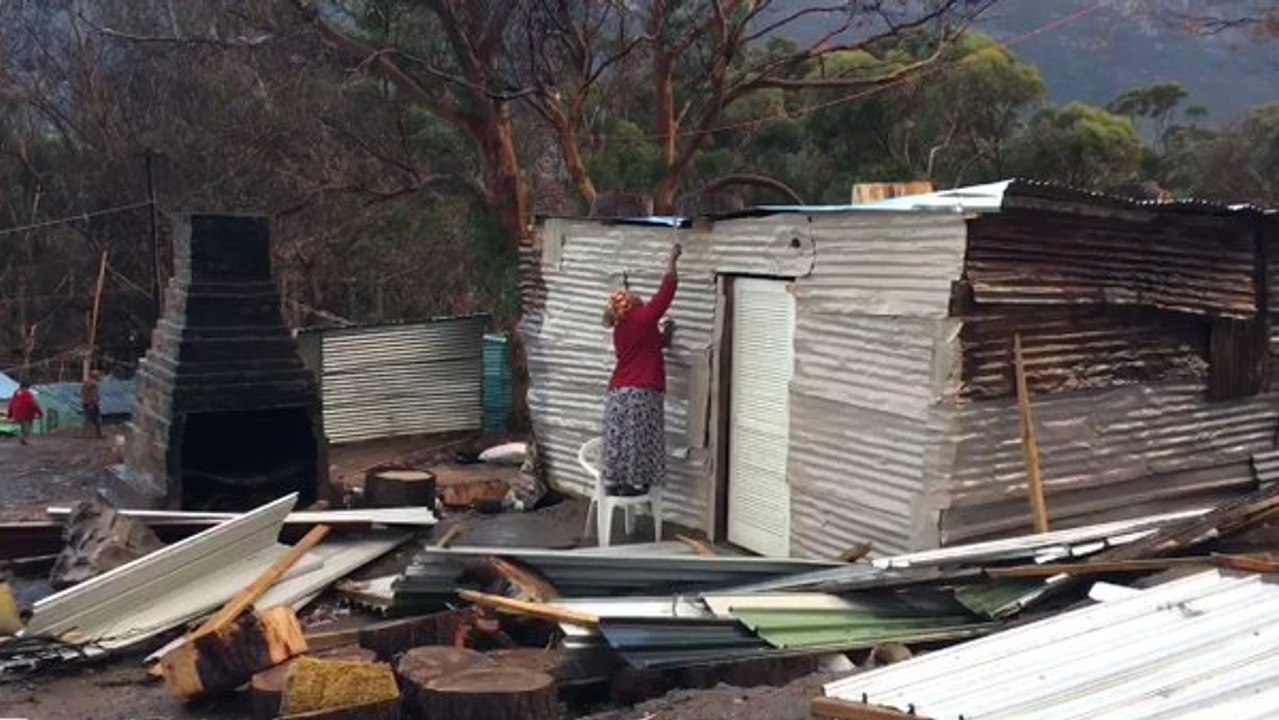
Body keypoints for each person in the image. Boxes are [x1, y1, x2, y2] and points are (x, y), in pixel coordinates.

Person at [600, 241, 681, 496]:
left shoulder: (621, 329)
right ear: (631, 304)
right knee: (640, 439)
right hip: (641, 392)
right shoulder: (642, 317)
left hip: (617, 395)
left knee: (620, 440)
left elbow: (650, 345)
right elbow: (665, 293)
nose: (639, 296)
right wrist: (672, 260)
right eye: (635, 296)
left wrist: (666, 335)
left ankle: (616, 483)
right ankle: (635, 484)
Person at [6, 381, 43, 445]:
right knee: (27, 429)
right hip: (27, 414)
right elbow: (33, 404)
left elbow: (11, 404)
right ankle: (22, 438)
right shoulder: (28, 394)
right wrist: (40, 413)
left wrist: (10, 414)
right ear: (27, 387)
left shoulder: (16, 394)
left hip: (17, 414)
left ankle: (23, 439)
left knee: (23, 427)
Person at [82, 371, 103, 439]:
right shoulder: (92, 384)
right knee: (91, 419)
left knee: (94, 419)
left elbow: (85, 393)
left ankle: (97, 433)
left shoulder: (89, 383)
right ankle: (87, 433)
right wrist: (91, 403)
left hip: (91, 403)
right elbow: (90, 394)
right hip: (91, 403)